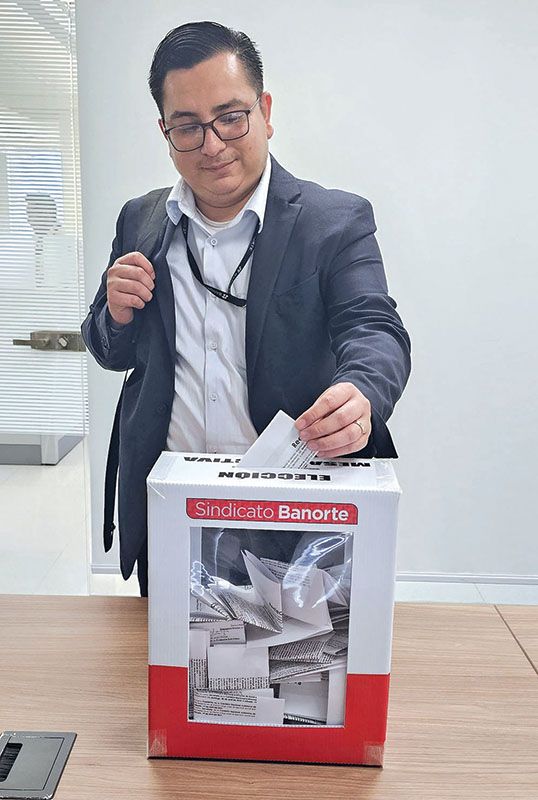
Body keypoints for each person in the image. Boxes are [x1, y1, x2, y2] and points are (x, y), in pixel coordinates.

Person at [82, 21, 412, 597]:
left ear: (265, 111)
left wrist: (362, 391)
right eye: (188, 126)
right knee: (165, 656)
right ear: (165, 131)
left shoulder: (334, 222)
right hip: (172, 506)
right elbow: (110, 349)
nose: (212, 145)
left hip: (294, 513)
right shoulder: (141, 219)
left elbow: (374, 327)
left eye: (230, 117)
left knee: (301, 652)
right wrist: (116, 313)